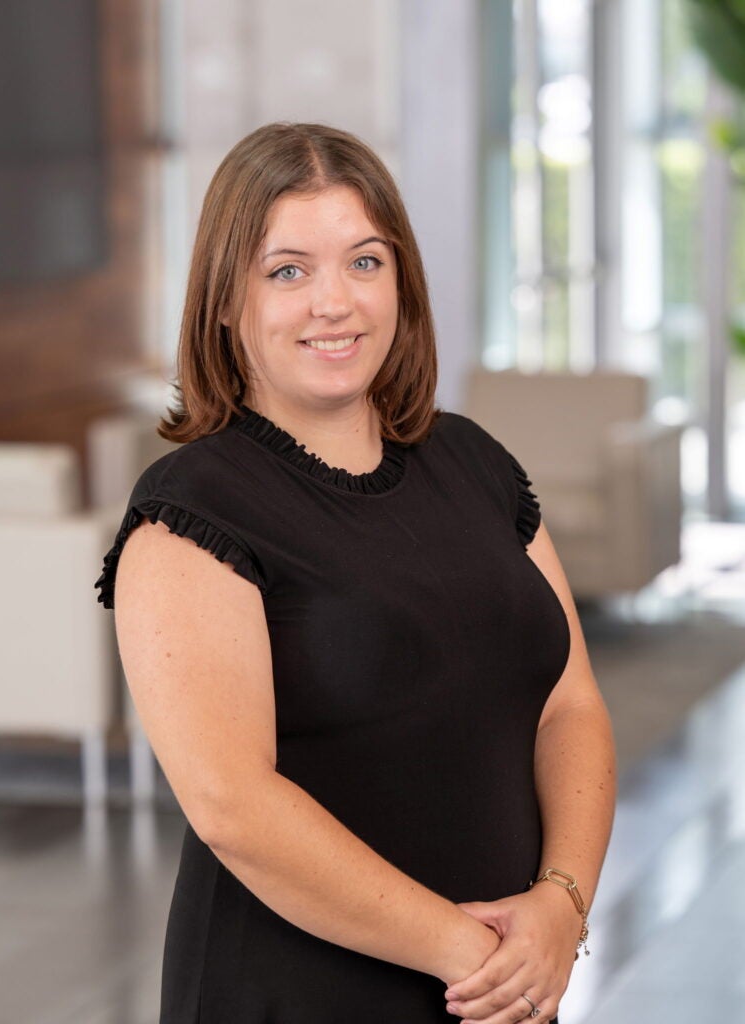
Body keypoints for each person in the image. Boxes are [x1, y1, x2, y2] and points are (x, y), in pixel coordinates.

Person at [95, 121, 616, 1024]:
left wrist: (562, 905)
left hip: (504, 986)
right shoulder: (191, 509)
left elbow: (569, 704)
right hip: (303, 994)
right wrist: (480, 960)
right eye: (287, 271)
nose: (333, 303)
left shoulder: (474, 461)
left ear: (400, 281)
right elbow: (233, 805)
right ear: (225, 300)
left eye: (365, 262)